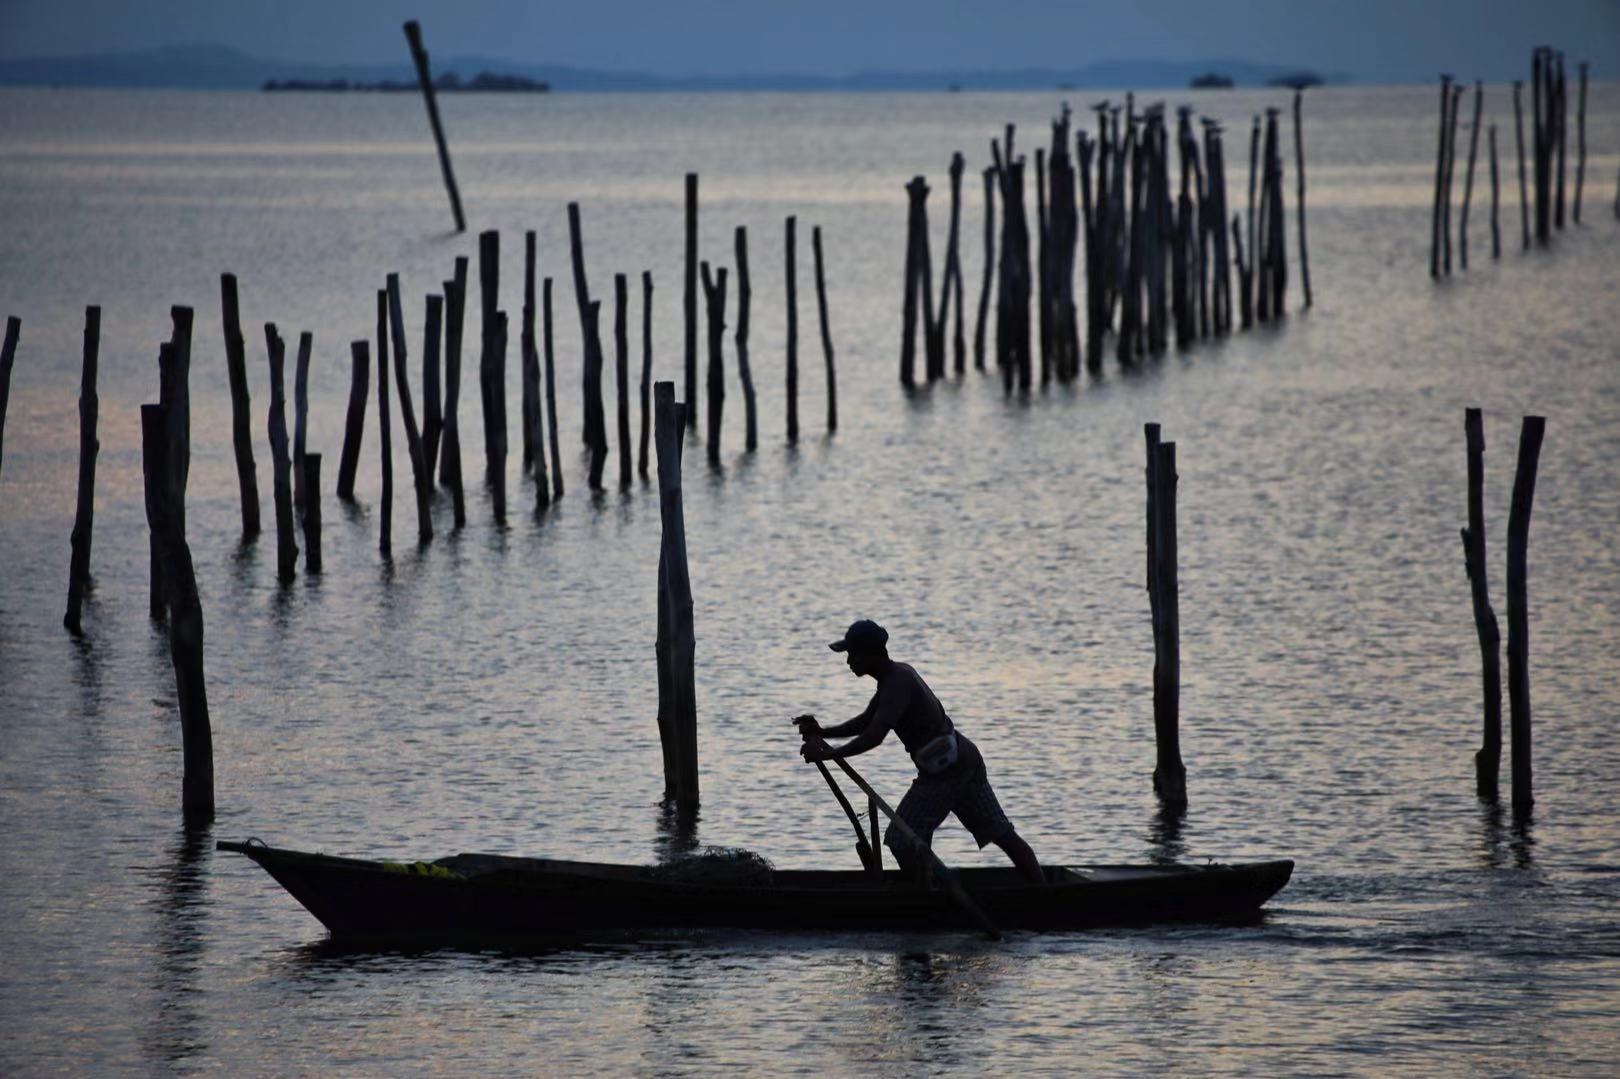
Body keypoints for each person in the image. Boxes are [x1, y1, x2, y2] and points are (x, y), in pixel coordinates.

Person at [795, 619, 1044, 884]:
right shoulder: (893, 677)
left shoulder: (897, 682)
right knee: (999, 834)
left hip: (947, 771)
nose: (848, 662)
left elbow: (874, 737)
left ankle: (932, 899)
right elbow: (867, 720)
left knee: (902, 840)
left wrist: (830, 755)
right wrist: (823, 732)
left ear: (869, 653)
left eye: (852, 654)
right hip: (962, 760)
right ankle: (951, 887)